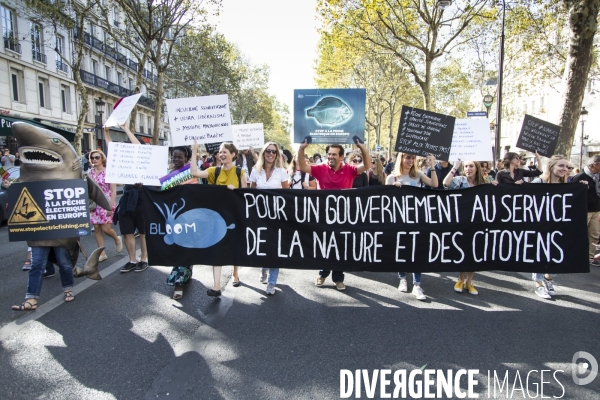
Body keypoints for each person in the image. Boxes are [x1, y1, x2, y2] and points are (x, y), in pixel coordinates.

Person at [298, 138, 370, 290]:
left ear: (342, 157)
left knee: (340, 246)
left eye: (334, 154)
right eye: (329, 154)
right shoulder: (320, 168)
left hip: (343, 216)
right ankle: (323, 274)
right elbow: (303, 166)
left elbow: (367, 166)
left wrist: (362, 148)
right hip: (323, 215)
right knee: (325, 245)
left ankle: (338, 278)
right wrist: (301, 148)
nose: (331, 157)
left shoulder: (350, 170)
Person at [190, 141, 247, 297]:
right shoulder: (213, 171)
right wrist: (194, 151)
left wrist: (235, 191)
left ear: (233, 154)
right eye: (220, 152)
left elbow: (246, 196)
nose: (221, 154)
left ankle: (235, 273)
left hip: (234, 217)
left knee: (234, 247)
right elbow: (194, 172)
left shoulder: (239, 173)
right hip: (215, 218)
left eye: (225, 152)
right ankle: (216, 286)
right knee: (217, 249)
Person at [385, 152, 438, 301]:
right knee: (401, 250)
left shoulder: (418, 175)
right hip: (399, 221)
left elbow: (434, 184)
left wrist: (432, 165)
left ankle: (417, 284)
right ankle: (402, 278)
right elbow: (384, 201)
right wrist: (392, 189)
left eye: (413, 158)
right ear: (401, 159)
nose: (410, 160)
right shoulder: (391, 177)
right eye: (407, 157)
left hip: (416, 220)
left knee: (417, 251)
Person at [442, 159, 495, 295]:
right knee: (463, 251)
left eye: (471, 166)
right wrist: (455, 167)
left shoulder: (484, 182)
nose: (468, 169)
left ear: (476, 168)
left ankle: (469, 282)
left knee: (474, 252)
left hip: (478, 222)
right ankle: (460, 279)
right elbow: (445, 184)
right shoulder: (460, 180)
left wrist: (495, 186)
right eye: (466, 166)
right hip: (462, 222)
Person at [105, 125, 149, 274]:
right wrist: (106, 132)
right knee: (127, 231)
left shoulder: (145, 161)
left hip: (142, 199)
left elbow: (138, 148)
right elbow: (112, 150)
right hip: (127, 199)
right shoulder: (124, 163)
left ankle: (143, 259)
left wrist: (125, 129)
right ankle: (132, 260)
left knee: (143, 232)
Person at [249, 142, 290, 295]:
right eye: (268, 151)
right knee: (262, 246)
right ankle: (264, 267)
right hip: (260, 217)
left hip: (276, 217)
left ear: (277, 154)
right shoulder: (255, 171)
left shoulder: (282, 172)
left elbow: (288, 194)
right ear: (263, 153)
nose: (271, 154)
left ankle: (272, 282)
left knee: (275, 248)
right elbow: (251, 193)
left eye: (274, 151)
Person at [529, 155, 569, 298]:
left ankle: (548, 278)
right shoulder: (539, 182)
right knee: (540, 253)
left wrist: (582, 188)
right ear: (551, 167)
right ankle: (538, 284)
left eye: (567, 167)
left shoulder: (567, 185)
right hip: (541, 225)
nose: (565, 169)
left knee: (556, 254)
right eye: (561, 166)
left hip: (558, 226)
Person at [165, 146, 196, 300]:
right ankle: (186, 272)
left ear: (186, 158)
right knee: (177, 248)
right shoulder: (169, 175)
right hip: (173, 218)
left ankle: (179, 283)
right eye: (174, 157)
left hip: (188, 218)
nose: (176, 160)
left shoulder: (191, 173)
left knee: (185, 247)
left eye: (179, 157)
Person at [11, 246, 76, 311]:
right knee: (36, 264)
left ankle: (67, 289)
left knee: (63, 262)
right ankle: (32, 299)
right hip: (40, 237)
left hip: (58, 237)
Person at [88, 149, 123, 262]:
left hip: (106, 202)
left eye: (97, 157)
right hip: (94, 203)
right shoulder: (90, 173)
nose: (94, 159)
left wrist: (110, 205)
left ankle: (117, 238)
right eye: (92, 157)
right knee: (97, 228)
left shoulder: (109, 172)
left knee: (106, 228)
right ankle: (102, 253)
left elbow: (113, 190)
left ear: (102, 158)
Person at [570, 154, 600, 265]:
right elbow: (572, 194)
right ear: (595, 165)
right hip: (584, 211)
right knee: (578, 234)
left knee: (594, 235)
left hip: (596, 210)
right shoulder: (580, 176)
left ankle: (589, 257)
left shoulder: (597, 176)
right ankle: (574, 256)